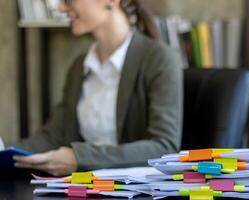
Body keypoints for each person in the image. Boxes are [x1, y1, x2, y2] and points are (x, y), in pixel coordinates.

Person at [0, 0, 183, 176]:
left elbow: (164, 146)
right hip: (83, 188)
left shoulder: (159, 59)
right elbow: (53, 137)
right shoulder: (80, 66)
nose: (62, 8)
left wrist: (79, 157)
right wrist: (3, 149)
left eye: (69, 0)